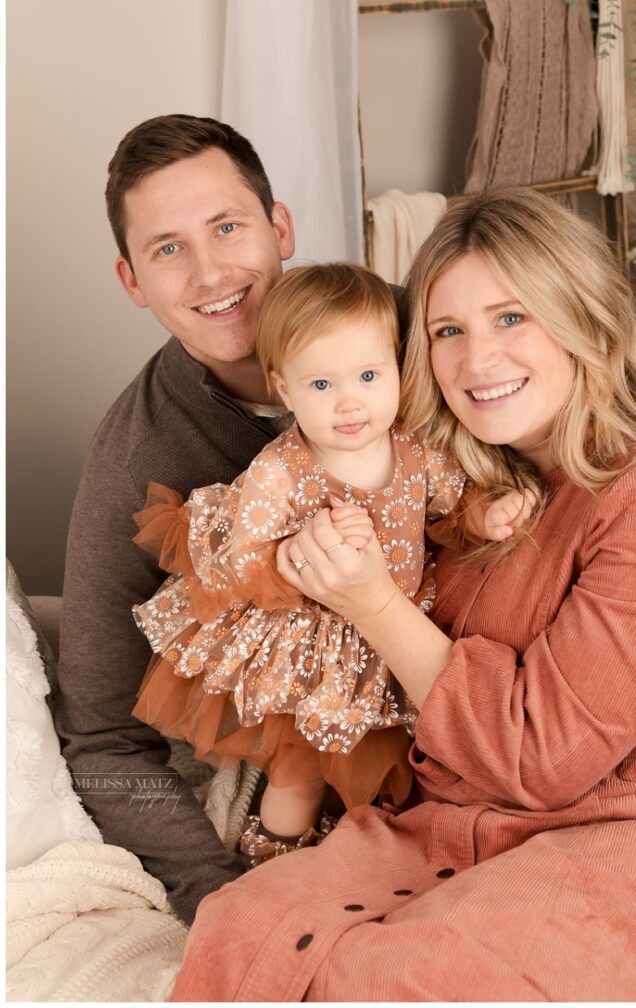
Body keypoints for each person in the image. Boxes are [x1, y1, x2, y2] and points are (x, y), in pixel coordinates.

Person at [53, 114, 636, 929]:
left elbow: (597, 453)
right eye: (168, 248)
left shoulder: (425, 331)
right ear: (131, 280)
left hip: (581, 699)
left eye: (227, 227)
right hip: (399, 759)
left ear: (280, 227)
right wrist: (221, 897)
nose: (210, 271)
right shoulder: (135, 455)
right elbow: (102, 741)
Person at [169, 188, 636, 1002]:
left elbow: (544, 757)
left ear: (586, 318)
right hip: (447, 827)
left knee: (409, 979)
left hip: (629, 830)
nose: (477, 360)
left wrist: (374, 606)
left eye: (511, 317)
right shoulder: (439, 479)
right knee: (241, 929)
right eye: (447, 330)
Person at [130, 262, 531, 854]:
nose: (349, 403)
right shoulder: (283, 470)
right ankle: (271, 859)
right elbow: (241, 554)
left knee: (396, 762)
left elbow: (451, 507)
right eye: (321, 385)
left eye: (368, 376)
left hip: (397, 634)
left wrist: (485, 517)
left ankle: (374, 852)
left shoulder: (415, 448)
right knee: (301, 775)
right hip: (315, 649)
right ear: (285, 388)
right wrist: (295, 551)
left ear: (399, 369)